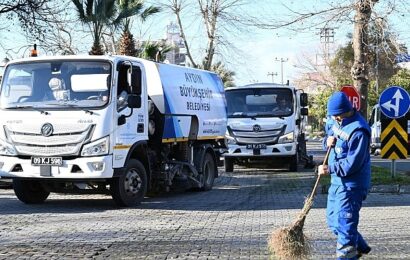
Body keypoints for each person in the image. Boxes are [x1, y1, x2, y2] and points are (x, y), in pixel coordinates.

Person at [318, 91, 372, 260]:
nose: (333, 119)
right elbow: (328, 136)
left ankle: (348, 255)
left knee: (345, 227)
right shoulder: (335, 121)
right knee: (334, 222)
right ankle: (361, 247)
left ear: (344, 112)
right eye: (332, 116)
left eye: (336, 116)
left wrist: (329, 169)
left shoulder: (359, 131)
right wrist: (325, 142)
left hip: (351, 186)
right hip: (337, 183)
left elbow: (352, 164)